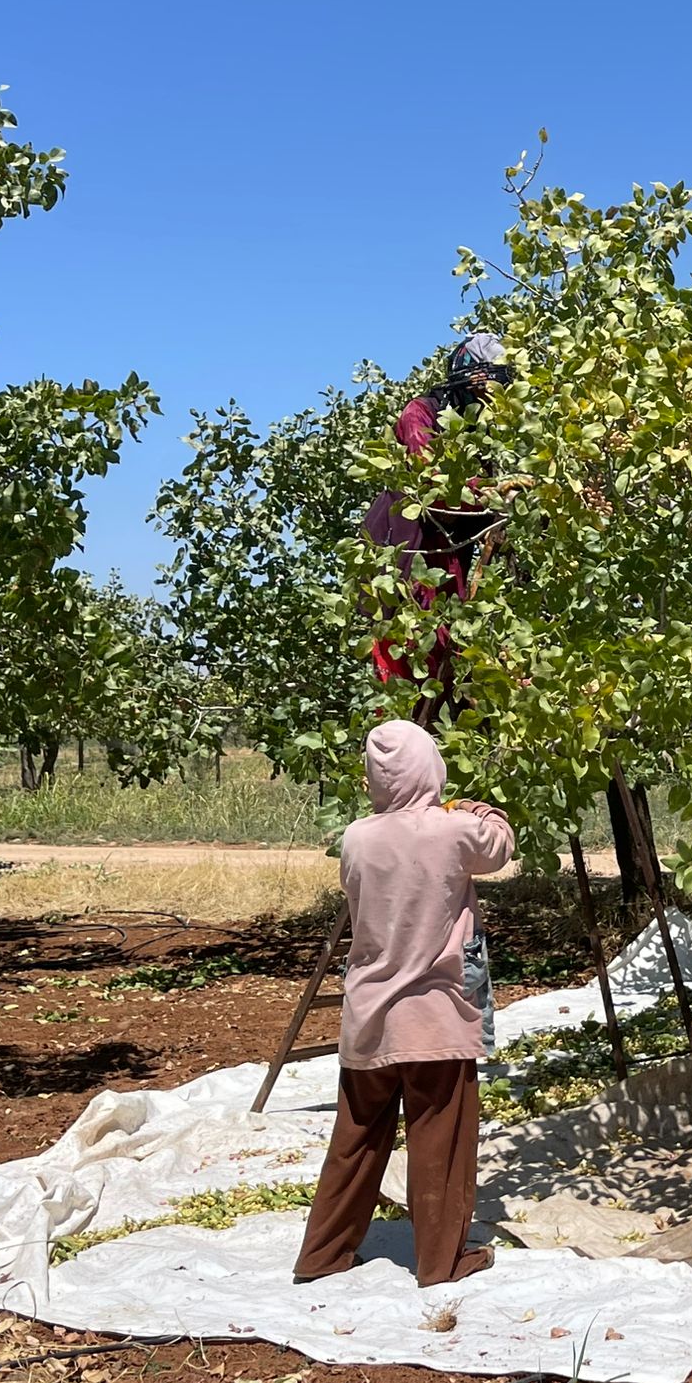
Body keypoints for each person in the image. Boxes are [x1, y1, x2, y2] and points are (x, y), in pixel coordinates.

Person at [294, 720, 515, 1287]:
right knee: (440, 1135)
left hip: (369, 1011)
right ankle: (441, 1262)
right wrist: (482, 808)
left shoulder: (357, 837)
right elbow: (499, 849)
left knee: (357, 1135)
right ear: (429, 768)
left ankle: (322, 1255)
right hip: (436, 1010)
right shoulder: (453, 830)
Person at [360, 333, 515, 723]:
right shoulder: (420, 415)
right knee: (404, 690)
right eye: (486, 383)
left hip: (451, 569)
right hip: (404, 571)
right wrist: (492, 491)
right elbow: (429, 483)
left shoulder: (488, 434)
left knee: (463, 682)